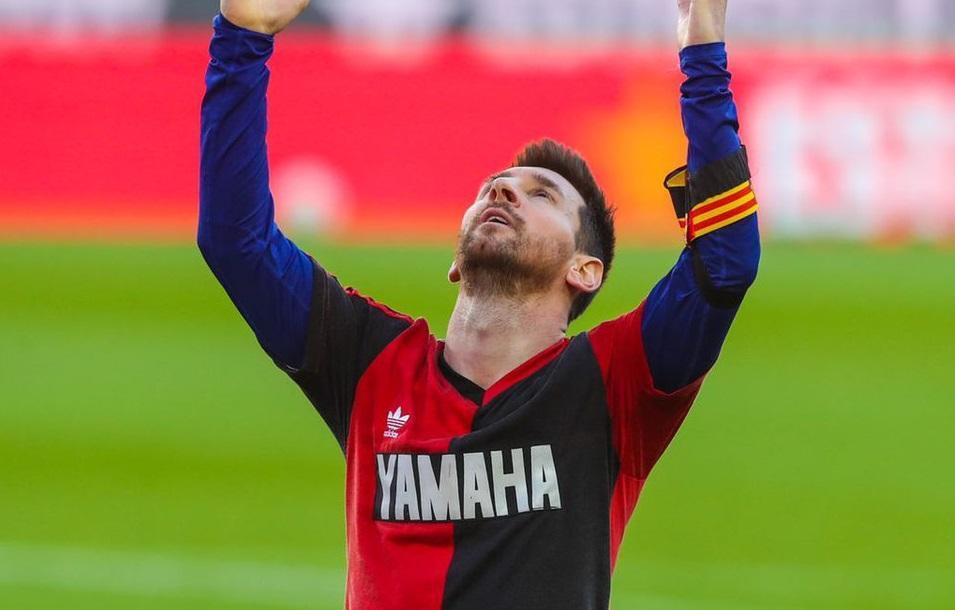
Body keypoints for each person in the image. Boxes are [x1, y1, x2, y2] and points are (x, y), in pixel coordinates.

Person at [198, 0, 760, 607]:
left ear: (585, 270)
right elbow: (236, 242)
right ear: (456, 261)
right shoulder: (369, 363)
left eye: (540, 194)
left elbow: (724, 261)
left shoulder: (614, 381)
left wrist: (702, 49)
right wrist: (242, 38)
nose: (503, 190)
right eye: (495, 186)